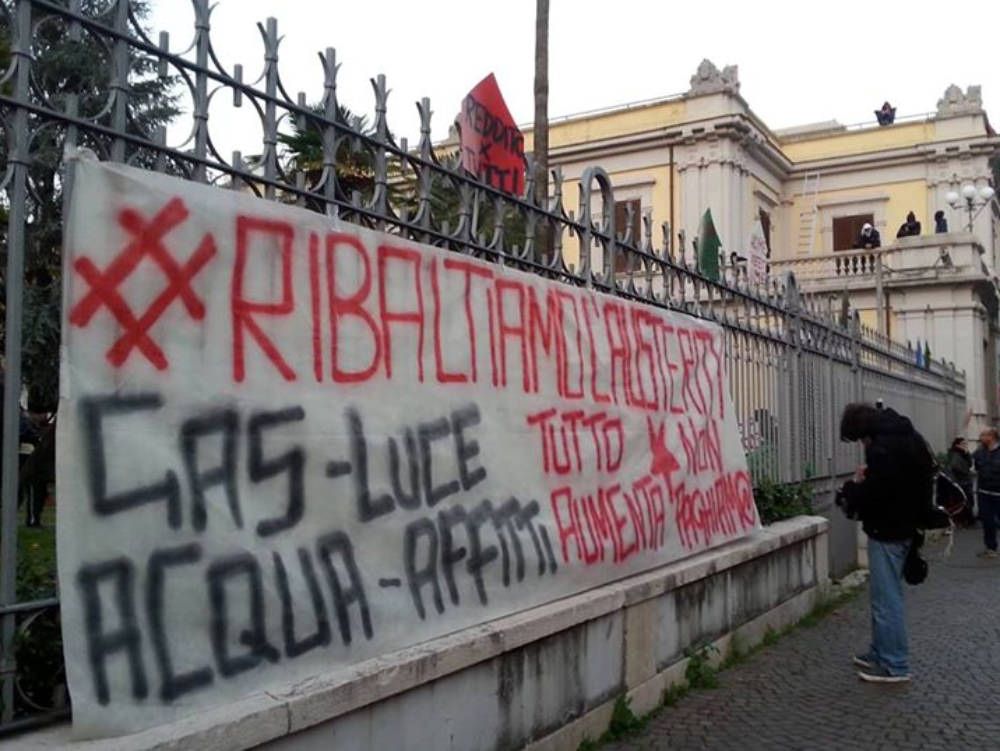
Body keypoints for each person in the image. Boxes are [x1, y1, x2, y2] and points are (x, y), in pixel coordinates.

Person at [836, 402, 934, 683]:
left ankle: (894, 664)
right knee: (884, 596)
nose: (861, 444)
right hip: (907, 524)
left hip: (888, 529)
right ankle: (880, 651)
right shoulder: (907, 435)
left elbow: (878, 493)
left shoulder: (882, 448)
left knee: (886, 599)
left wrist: (853, 488)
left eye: (859, 439)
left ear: (863, 431)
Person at [972, 427, 1000, 558]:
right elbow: (973, 465)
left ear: (991, 437)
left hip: (999, 494)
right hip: (984, 493)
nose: (980, 438)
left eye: (983, 435)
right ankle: (991, 548)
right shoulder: (979, 452)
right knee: (987, 522)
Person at [946, 436, 974, 524]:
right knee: (963, 500)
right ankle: (964, 519)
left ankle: (968, 518)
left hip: (965, 481)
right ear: (957, 445)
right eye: (963, 444)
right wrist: (965, 471)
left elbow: (970, 464)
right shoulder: (955, 454)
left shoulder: (963, 453)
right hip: (961, 481)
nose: (965, 445)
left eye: (965, 443)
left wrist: (967, 454)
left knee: (968, 500)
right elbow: (955, 466)